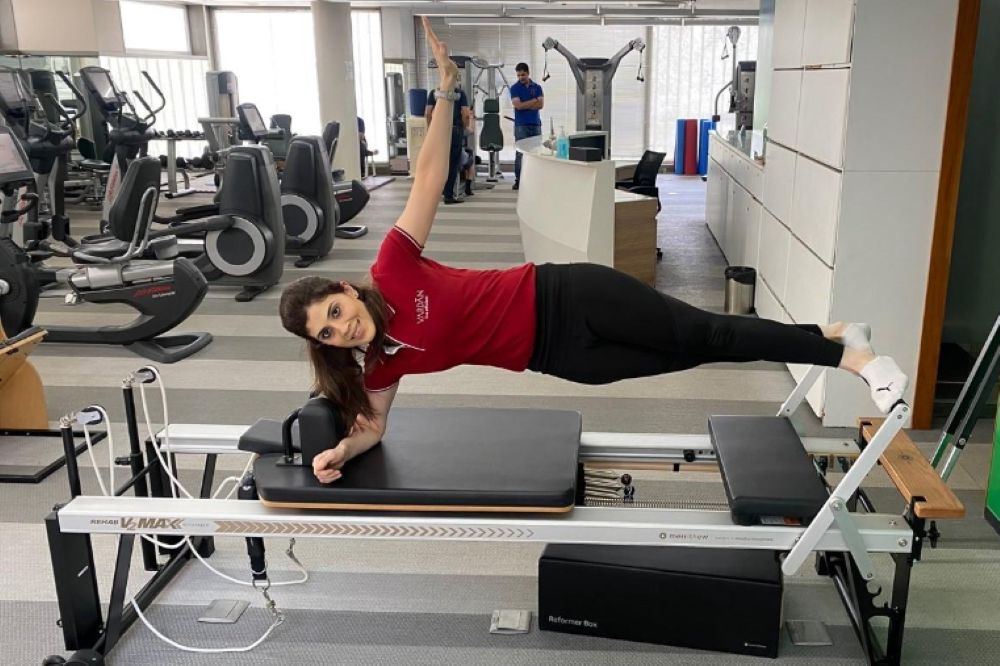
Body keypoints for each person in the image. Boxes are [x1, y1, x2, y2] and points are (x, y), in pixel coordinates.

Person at [279, 17, 908, 485]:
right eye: (328, 336)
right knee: (686, 353)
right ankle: (829, 334)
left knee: (709, 335)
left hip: (566, 294)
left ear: (343, 291)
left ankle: (846, 356)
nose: (341, 328)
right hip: (559, 357)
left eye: (333, 313)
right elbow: (374, 428)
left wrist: (447, 92)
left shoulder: (392, 268)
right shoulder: (382, 365)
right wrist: (342, 452)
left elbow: (427, 178)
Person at [425, 76, 470, 204]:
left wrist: (430, 130)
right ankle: (448, 195)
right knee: (453, 163)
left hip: (438, 131)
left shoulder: (434, 93)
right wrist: (464, 127)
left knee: (439, 163)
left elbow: (428, 113)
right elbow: (466, 113)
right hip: (455, 130)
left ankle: (434, 193)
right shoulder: (460, 93)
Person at [509, 62, 544, 191]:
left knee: (536, 153)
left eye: (523, 75)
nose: (520, 78)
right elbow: (518, 106)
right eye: (518, 75)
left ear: (528, 73)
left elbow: (540, 105)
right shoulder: (514, 88)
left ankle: (535, 179)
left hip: (535, 124)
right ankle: (518, 181)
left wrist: (525, 104)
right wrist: (534, 100)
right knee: (520, 154)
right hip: (521, 126)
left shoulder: (537, 87)